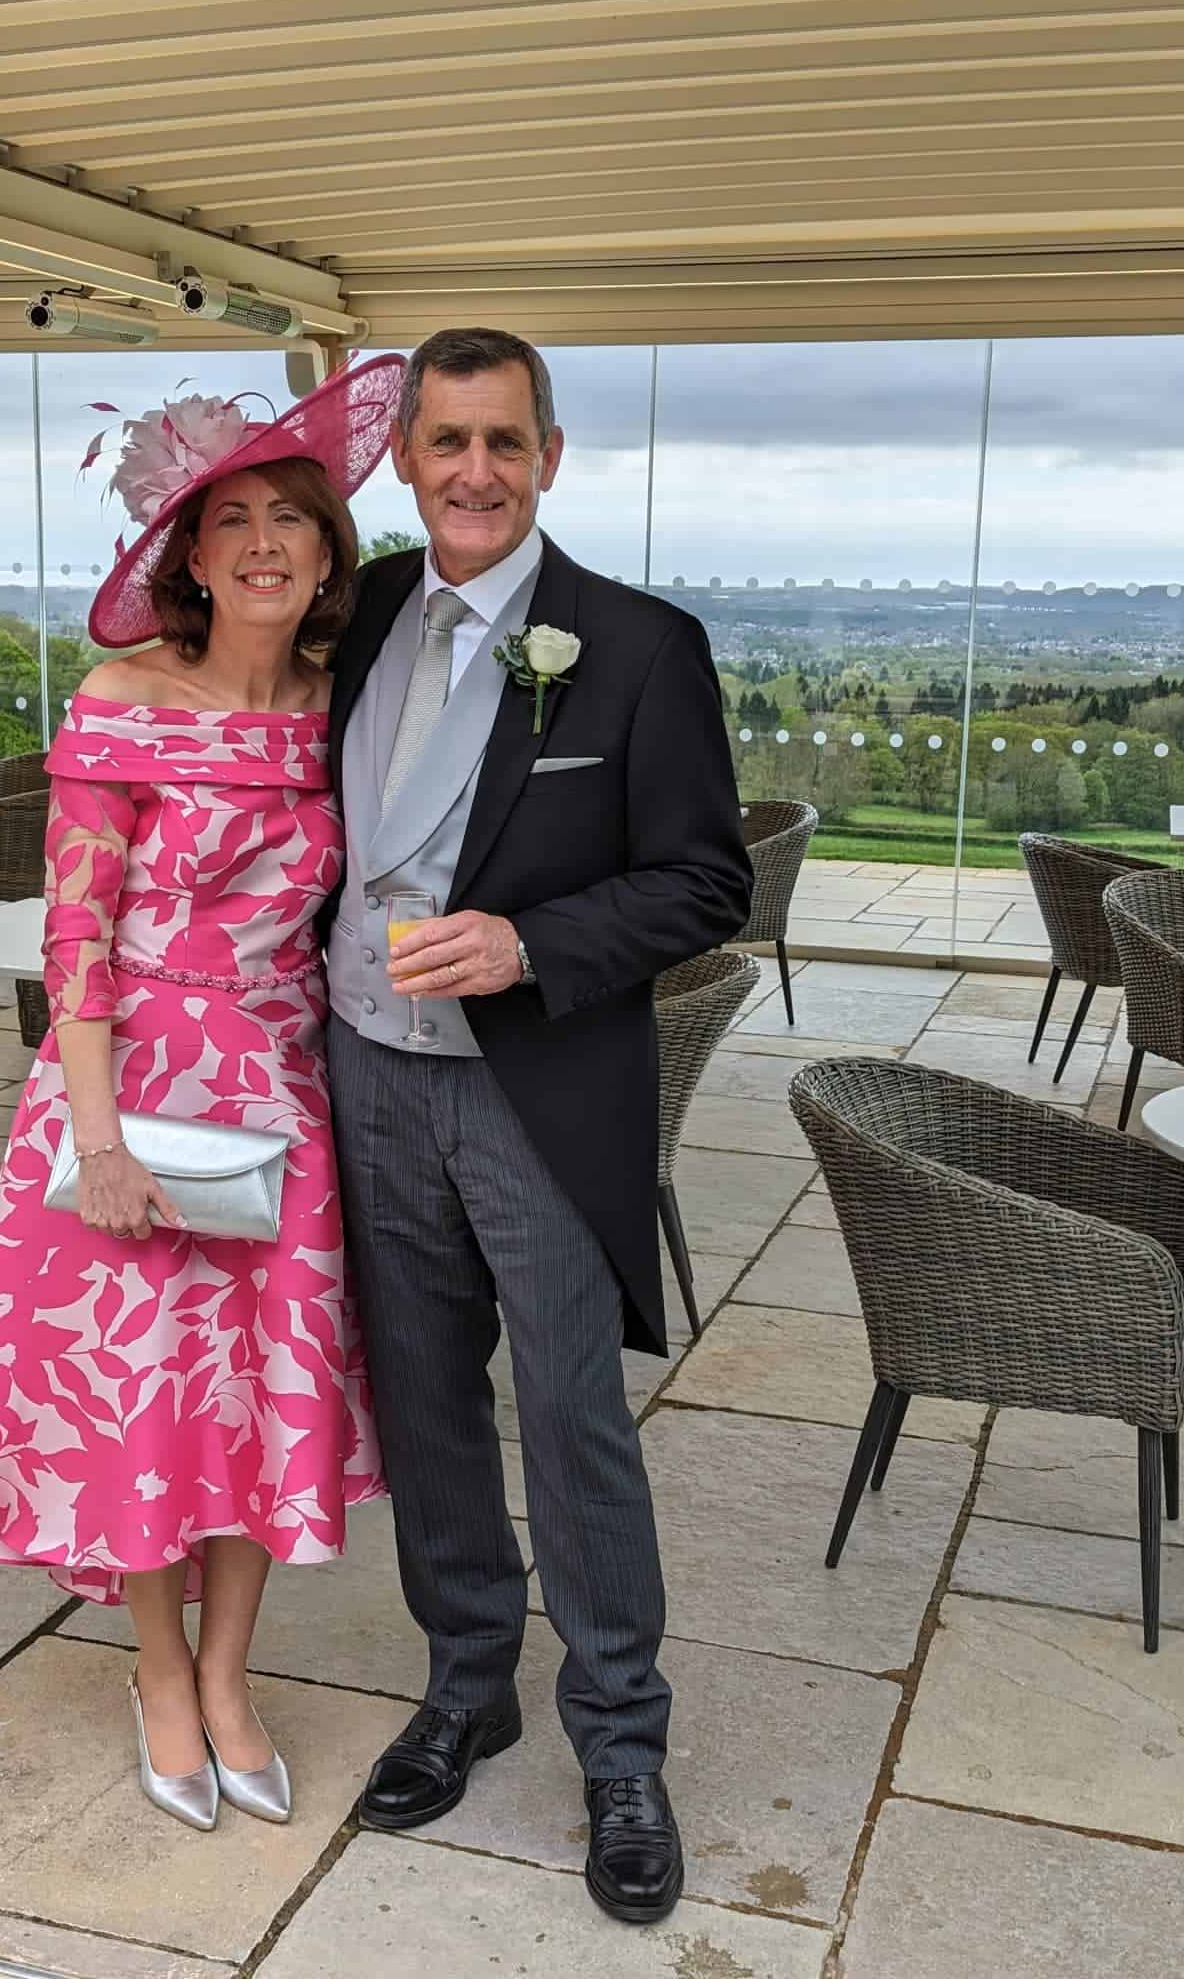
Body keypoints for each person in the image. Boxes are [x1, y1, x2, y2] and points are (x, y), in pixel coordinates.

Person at [0, 358, 404, 1833]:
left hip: (285, 1095)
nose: (261, 542)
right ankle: (160, 1676)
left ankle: (231, 1677)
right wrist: (99, 1141)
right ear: (187, 554)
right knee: (141, 1404)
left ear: (328, 554)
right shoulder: (121, 700)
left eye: (289, 517)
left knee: (257, 1404)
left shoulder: (343, 710)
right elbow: (76, 939)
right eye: (229, 518)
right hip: (130, 1091)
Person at [325, 328, 753, 1923]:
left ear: (551, 457)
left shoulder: (637, 646)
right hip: (367, 1073)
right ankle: (466, 1682)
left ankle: (622, 1743)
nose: (476, 470)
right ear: (404, 460)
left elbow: (708, 881)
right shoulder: (360, 611)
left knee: (572, 1419)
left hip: (537, 1092)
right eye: (447, 441)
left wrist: (528, 944)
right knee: (425, 1398)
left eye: (505, 440)